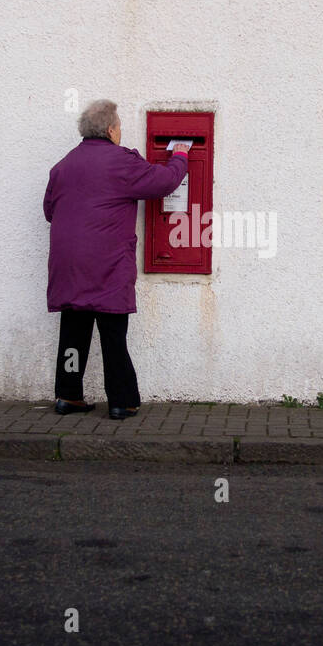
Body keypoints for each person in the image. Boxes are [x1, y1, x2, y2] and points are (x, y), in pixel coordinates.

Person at [43, 100, 190, 419]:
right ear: (110, 130)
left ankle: (68, 396)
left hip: (68, 264)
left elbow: (49, 211)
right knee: (112, 333)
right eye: (119, 126)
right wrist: (180, 157)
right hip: (106, 262)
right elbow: (163, 183)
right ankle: (122, 401)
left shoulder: (63, 165)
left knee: (73, 332)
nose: (121, 131)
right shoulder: (121, 162)